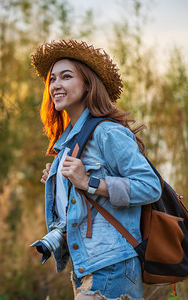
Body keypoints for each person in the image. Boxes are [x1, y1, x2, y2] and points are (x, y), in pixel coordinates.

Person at [29, 40, 162, 300]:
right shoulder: (68, 142)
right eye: (52, 79)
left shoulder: (107, 132)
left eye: (66, 77)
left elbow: (150, 186)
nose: (56, 84)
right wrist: (59, 184)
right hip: (87, 264)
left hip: (111, 264)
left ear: (88, 83)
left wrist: (88, 181)